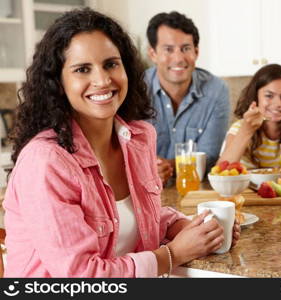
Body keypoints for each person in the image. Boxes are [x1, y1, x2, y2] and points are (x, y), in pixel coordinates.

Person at [3, 8, 240, 278]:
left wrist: (192, 228)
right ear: (58, 82)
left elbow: (135, 217)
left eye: (111, 64)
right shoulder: (46, 162)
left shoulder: (137, 138)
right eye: (82, 69)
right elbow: (81, 276)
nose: (102, 80)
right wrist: (174, 254)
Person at [145, 11, 230, 184]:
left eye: (186, 48)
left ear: (196, 52)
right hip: (145, 194)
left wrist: (166, 166)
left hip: (196, 194)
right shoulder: (135, 90)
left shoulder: (216, 91)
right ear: (153, 54)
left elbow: (209, 157)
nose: (178, 58)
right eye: (168, 49)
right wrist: (147, 167)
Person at [219, 64, 281, 181]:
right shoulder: (240, 127)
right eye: (269, 96)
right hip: (250, 195)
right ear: (256, 97)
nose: (278, 104)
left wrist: (266, 176)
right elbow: (220, 173)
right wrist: (247, 130)